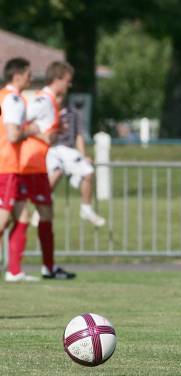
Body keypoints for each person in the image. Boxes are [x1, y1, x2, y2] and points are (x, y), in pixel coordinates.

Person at [16, 61, 76, 279]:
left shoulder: (51, 101)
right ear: (58, 79)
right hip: (29, 165)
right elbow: (18, 125)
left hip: (39, 164)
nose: (69, 86)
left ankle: (45, 267)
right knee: (16, 215)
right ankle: (21, 268)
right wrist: (43, 135)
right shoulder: (42, 100)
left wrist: (57, 131)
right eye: (68, 81)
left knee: (41, 213)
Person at [30, 99, 105, 227]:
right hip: (52, 150)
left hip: (67, 151)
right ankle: (40, 209)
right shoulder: (46, 112)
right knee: (54, 177)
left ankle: (86, 208)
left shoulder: (73, 113)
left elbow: (78, 136)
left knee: (87, 172)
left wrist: (83, 155)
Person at [0, 58, 37, 282]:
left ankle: (14, 271)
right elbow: (13, 135)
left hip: (11, 166)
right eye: (28, 74)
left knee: (23, 215)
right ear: (17, 75)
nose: (31, 78)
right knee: (2, 220)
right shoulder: (14, 99)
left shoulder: (3, 96)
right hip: (7, 166)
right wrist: (31, 130)